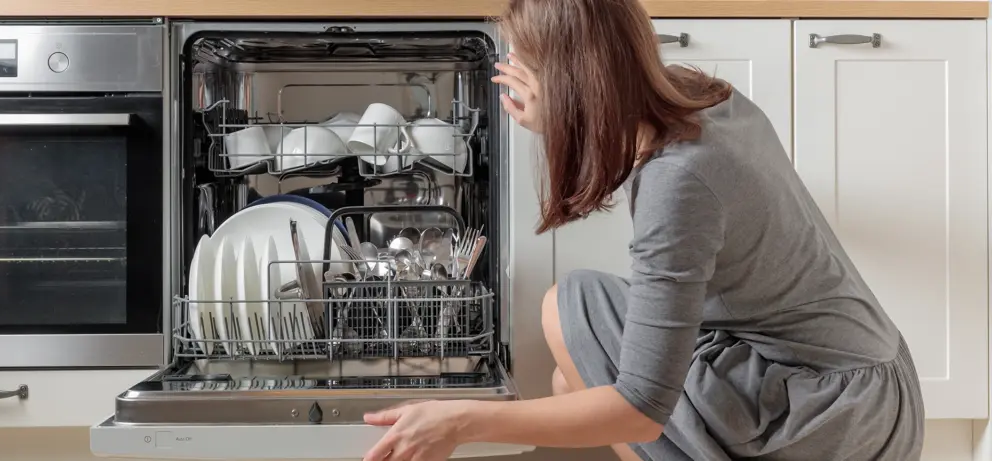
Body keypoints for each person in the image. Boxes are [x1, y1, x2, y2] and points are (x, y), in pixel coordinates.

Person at [362, 0, 926, 459]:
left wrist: (461, 421)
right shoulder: (698, 94)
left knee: (572, 310)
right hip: (881, 380)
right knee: (569, 384)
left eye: (526, 70)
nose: (519, 86)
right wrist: (559, 113)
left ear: (574, 82)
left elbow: (640, 409)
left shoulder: (679, 181)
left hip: (831, 416)